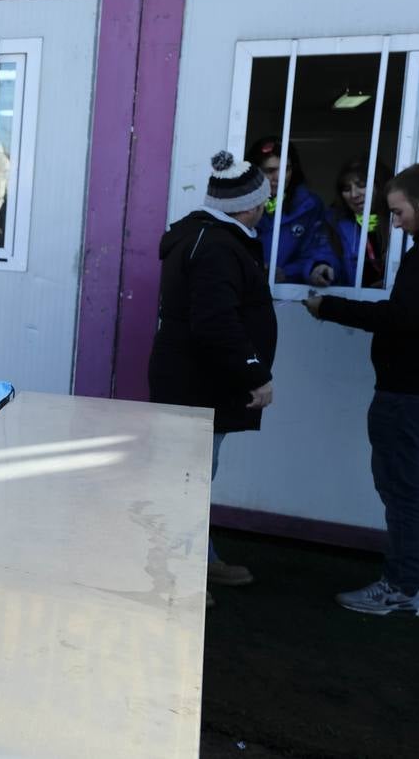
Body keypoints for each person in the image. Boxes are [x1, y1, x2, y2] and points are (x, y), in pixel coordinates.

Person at [148, 150, 276, 604]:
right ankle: (175, 575)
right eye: (265, 197)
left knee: (194, 476)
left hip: (196, 380)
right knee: (188, 479)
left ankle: (201, 559)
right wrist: (255, 374)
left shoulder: (209, 238)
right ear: (252, 203)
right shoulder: (218, 245)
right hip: (197, 383)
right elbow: (216, 322)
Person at [305, 163, 419, 616]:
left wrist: (330, 308)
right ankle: (418, 578)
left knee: (403, 490)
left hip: (409, 393)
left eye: (398, 213)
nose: (394, 223)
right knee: (412, 489)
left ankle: (401, 587)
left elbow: (402, 319)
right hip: (417, 391)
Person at [249, 135, 333, 284]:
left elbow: (317, 250)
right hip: (247, 287)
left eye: (286, 169)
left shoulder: (309, 205)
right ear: (255, 171)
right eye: (270, 170)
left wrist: (314, 268)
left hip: (291, 293)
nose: (280, 177)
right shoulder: (241, 203)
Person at [320, 159, 390, 289]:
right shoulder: (334, 222)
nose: (354, 194)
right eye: (346, 188)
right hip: (354, 303)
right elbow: (325, 254)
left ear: (379, 186)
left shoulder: (398, 221)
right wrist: (320, 266)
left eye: (362, 185)